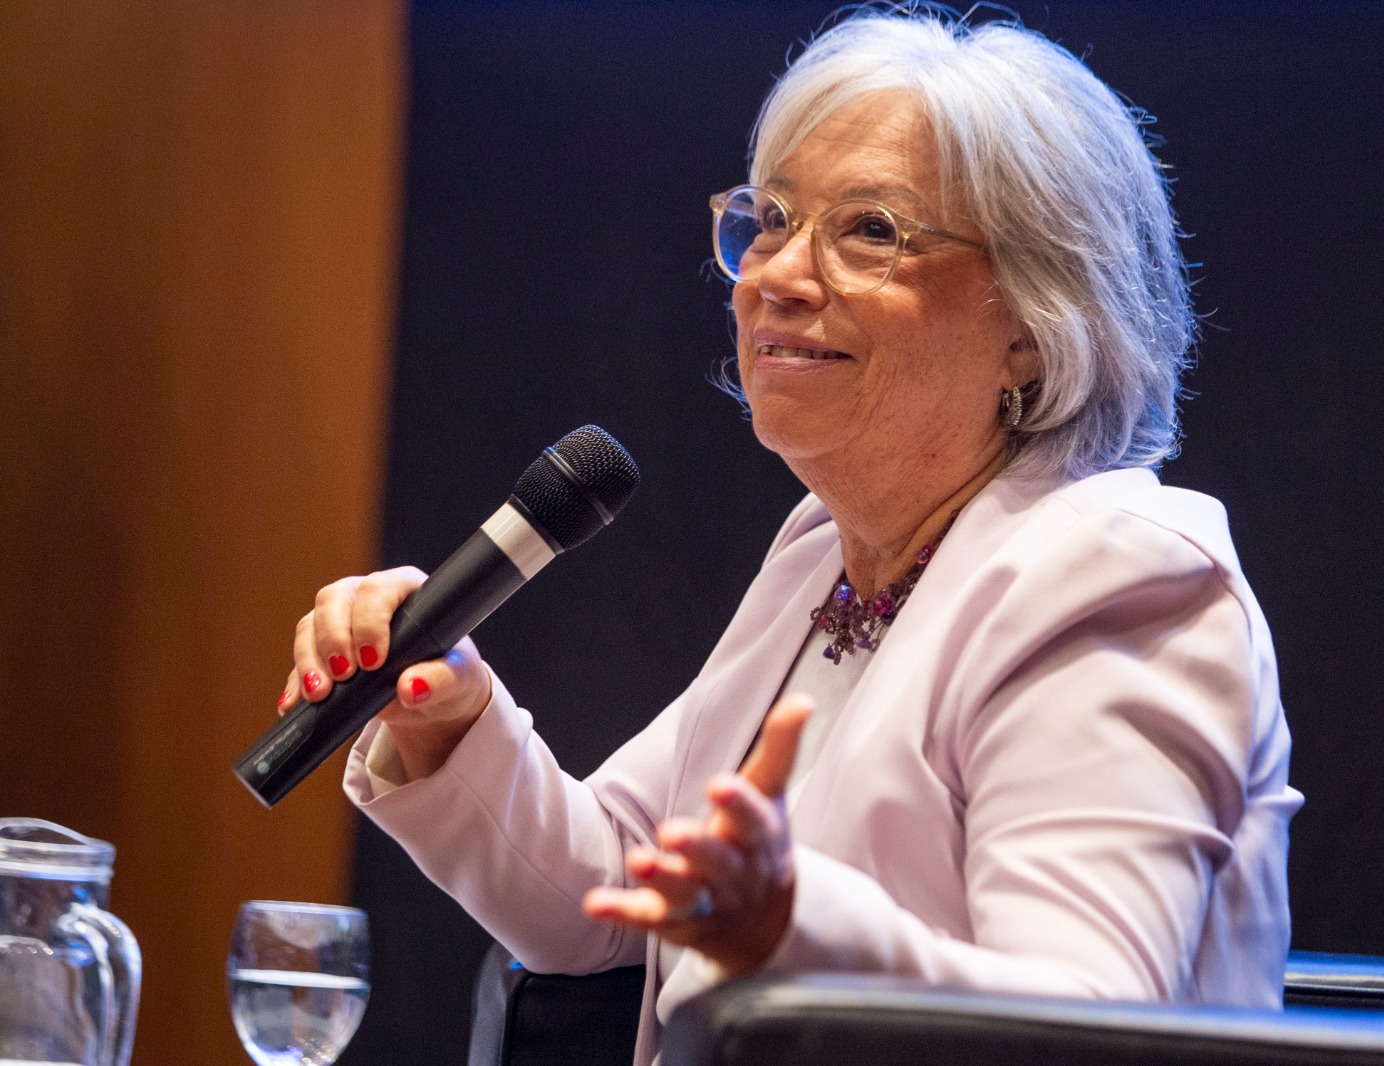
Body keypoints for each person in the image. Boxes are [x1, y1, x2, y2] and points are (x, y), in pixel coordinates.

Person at [279, 8, 1301, 1064]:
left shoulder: (1116, 578)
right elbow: (614, 889)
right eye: (769, 219)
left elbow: (1083, 1022)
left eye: (870, 232)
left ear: (1035, 330)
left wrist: (788, 926)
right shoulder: (826, 549)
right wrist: (451, 721)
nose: (776, 274)